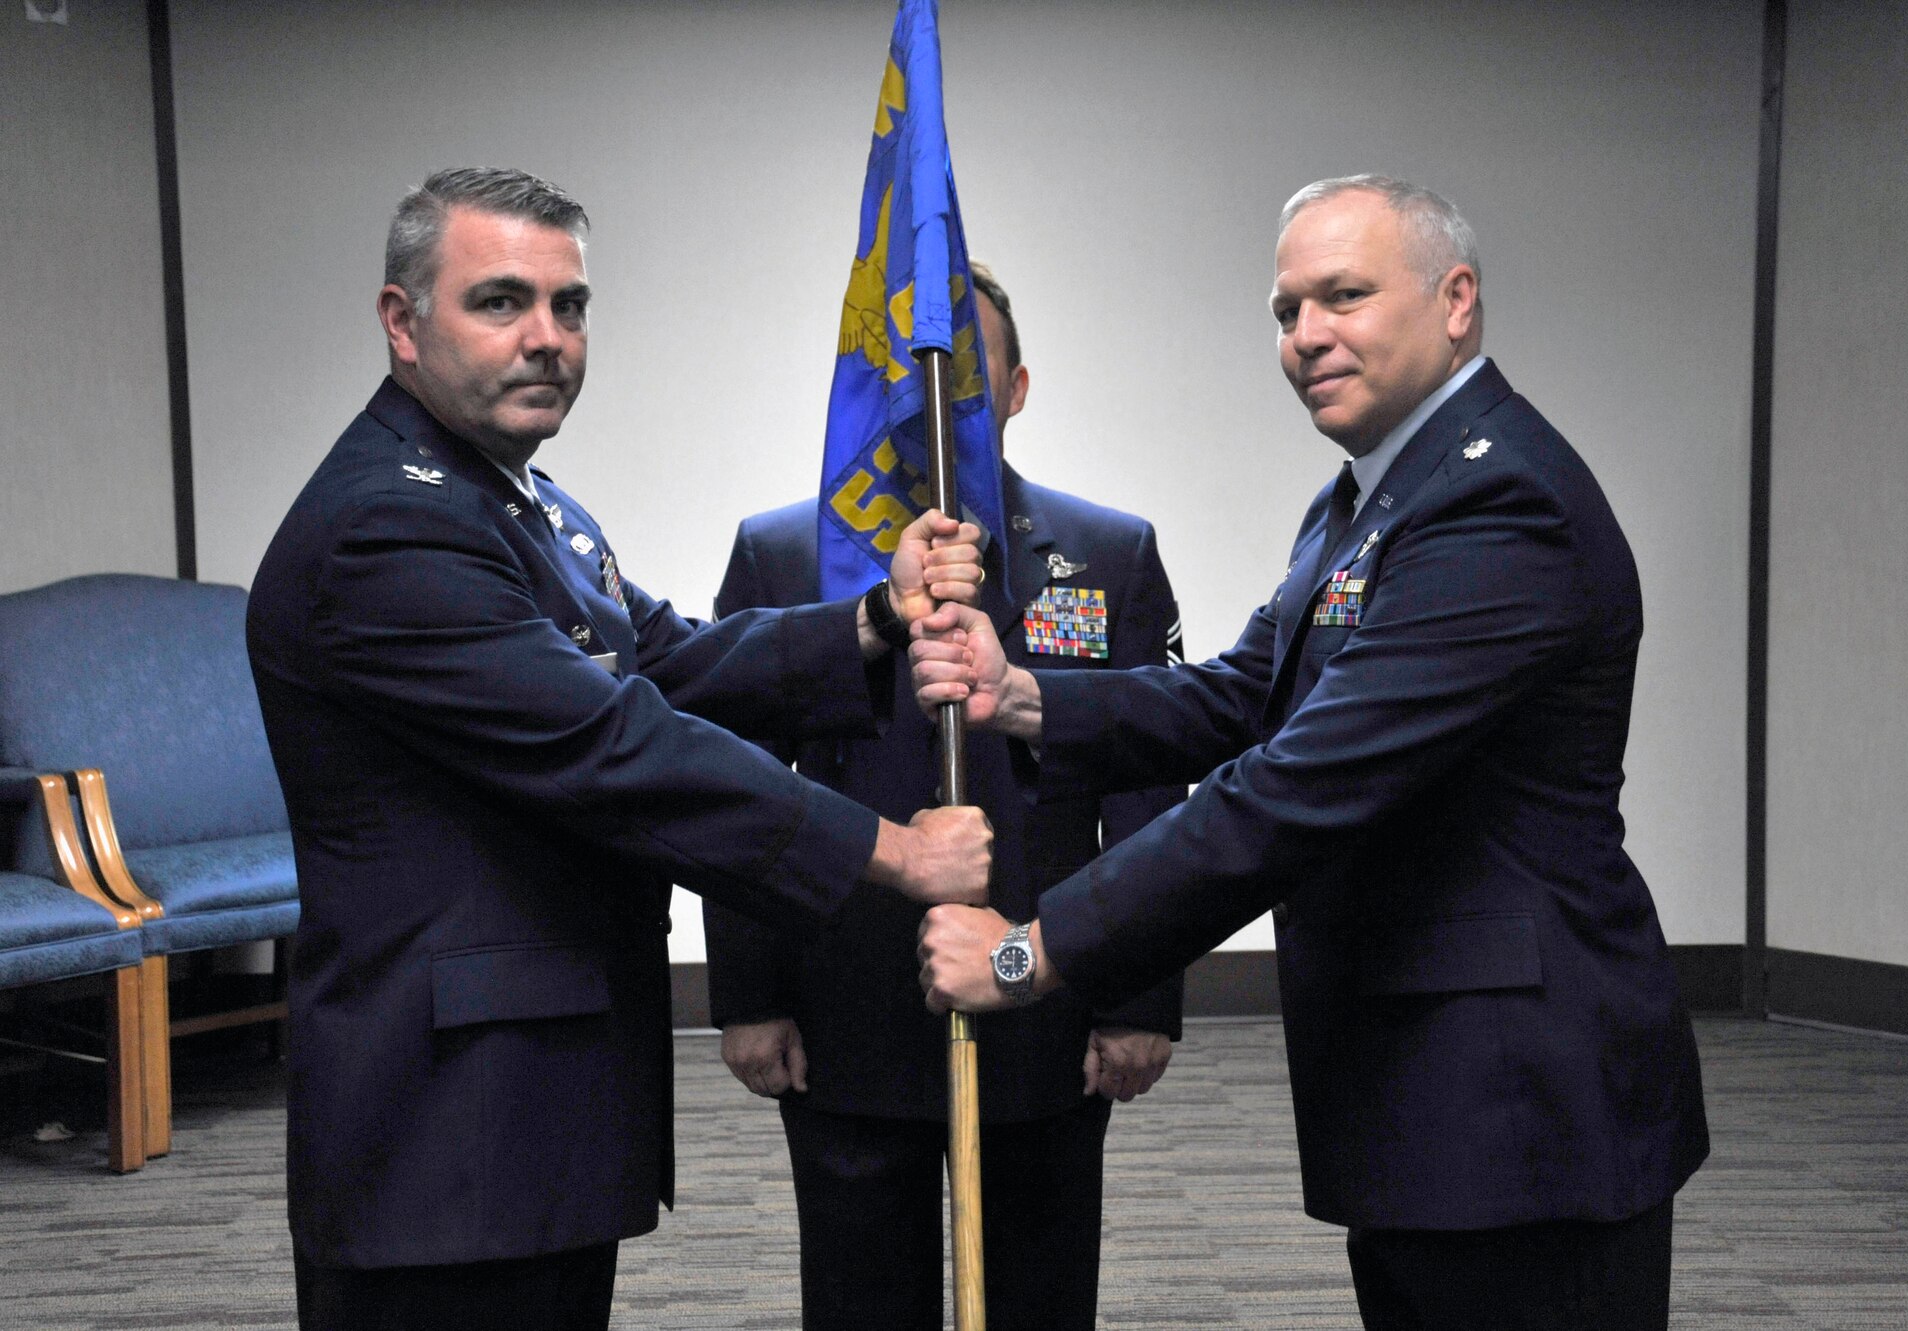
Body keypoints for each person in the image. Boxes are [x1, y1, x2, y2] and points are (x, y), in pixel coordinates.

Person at [911, 176, 1709, 1330]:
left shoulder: (1498, 503)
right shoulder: (1364, 500)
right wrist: (1022, 693)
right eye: (1286, 310)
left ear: (1455, 302)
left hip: (1519, 1103)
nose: (1305, 336)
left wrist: (1029, 955)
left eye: (1344, 295)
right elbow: (1242, 695)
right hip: (1423, 1086)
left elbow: (1293, 789)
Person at [246, 166, 992, 1331]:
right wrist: (895, 853)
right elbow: (613, 745)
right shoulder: (384, 526)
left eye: (570, 306)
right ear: (403, 322)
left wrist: (875, 617)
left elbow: (673, 661)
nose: (546, 339)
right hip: (445, 1124)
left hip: (528, 1095)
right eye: (499, 302)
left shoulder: (525, 503)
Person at [701, 260, 1186, 1331]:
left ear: (1014, 391)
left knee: (1040, 1284)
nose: (936, 398)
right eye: (912, 375)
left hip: (1044, 983)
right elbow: (729, 778)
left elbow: (1149, 780)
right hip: (843, 992)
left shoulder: (1108, 552)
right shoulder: (782, 555)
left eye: (970, 374)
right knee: (856, 1287)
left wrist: (1137, 995)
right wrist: (746, 990)